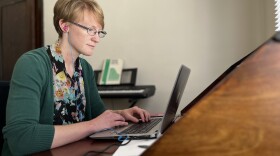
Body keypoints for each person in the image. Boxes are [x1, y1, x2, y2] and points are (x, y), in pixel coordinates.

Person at [1, 0, 151, 155]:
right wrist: (92, 125)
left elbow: (98, 117)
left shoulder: (85, 68)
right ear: (65, 26)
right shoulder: (31, 64)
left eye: (99, 32)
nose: (97, 39)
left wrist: (121, 114)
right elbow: (21, 138)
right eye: (90, 30)